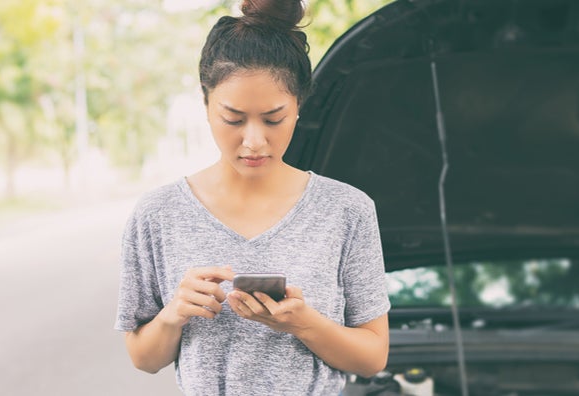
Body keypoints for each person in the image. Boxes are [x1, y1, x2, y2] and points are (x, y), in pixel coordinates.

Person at [114, 0, 390, 393]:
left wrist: (301, 322)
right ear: (206, 103)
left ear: (299, 105)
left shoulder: (347, 210)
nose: (254, 141)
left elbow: (373, 356)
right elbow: (144, 358)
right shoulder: (158, 214)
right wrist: (175, 314)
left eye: (273, 119)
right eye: (234, 119)